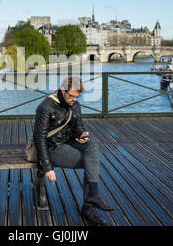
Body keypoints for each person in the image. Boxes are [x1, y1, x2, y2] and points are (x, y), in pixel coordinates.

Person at [33, 77, 114, 225]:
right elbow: (39, 138)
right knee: (89, 161)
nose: (74, 100)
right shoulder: (45, 107)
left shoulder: (75, 105)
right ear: (63, 90)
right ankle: (89, 206)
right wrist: (47, 167)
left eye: (77, 96)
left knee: (92, 145)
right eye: (71, 96)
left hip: (68, 142)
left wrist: (81, 135)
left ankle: (92, 197)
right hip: (52, 148)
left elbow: (78, 127)